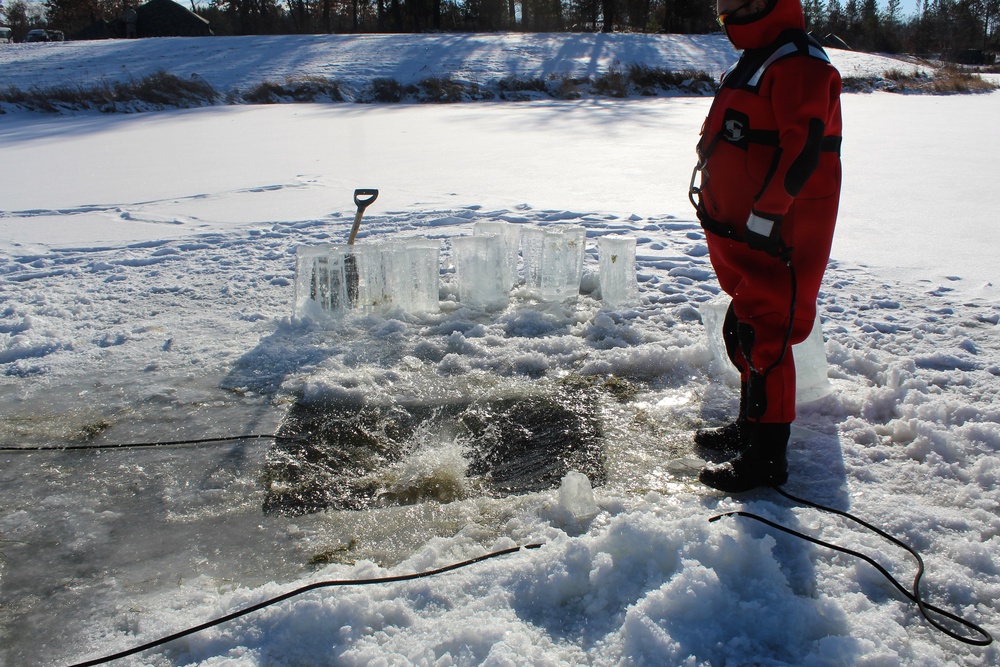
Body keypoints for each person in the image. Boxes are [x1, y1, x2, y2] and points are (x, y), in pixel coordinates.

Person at [688, 0, 843, 493]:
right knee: (744, 329)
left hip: (777, 232)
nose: (723, 10)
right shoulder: (760, 56)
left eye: (733, 1)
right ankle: (749, 426)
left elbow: (804, 148)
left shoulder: (797, 62)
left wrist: (767, 215)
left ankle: (766, 459)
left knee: (766, 336)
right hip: (742, 232)